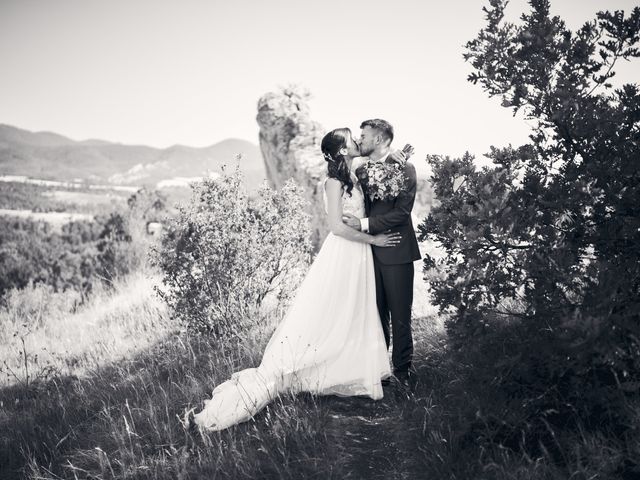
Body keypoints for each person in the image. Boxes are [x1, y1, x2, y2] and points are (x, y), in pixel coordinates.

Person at [191, 127, 404, 431]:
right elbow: (336, 227)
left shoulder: (354, 175)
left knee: (353, 311)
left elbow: (377, 161)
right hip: (345, 251)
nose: (357, 141)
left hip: (358, 255)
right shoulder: (332, 183)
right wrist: (374, 241)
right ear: (343, 150)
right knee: (333, 312)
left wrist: (396, 159)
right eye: (351, 140)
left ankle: (353, 367)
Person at [343, 119, 421, 389]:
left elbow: (401, 213)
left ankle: (402, 371)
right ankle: (379, 370)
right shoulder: (363, 171)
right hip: (367, 252)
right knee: (375, 315)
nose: (360, 140)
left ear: (379, 139)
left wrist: (363, 225)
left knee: (400, 314)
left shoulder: (406, 169)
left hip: (396, 249)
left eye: (363, 136)